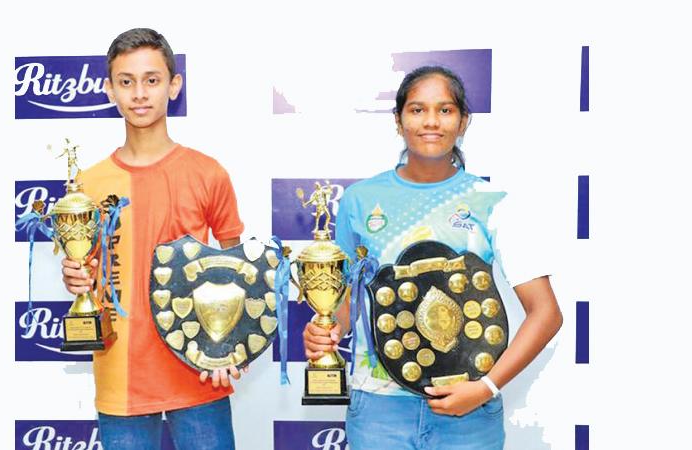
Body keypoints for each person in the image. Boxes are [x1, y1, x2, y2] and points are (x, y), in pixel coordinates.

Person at [302, 66, 563, 449]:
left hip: (469, 409)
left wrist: (485, 388)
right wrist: (326, 330)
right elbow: (347, 303)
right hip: (379, 409)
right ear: (398, 119)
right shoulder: (359, 200)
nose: (431, 122)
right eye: (417, 109)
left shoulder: (491, 201)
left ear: (463, 121)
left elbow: (546, 312)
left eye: (445, 110)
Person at [60, 28, 245, 450]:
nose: (139, 93)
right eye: (126, 82)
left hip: (199, 371)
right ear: (109, 90)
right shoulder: (87, 184)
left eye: (151, 80)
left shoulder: (207, 172)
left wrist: (229, 345)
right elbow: (84, 271)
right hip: (121, 374)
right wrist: (75, 277)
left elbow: (239, 269)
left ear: (173, 85)